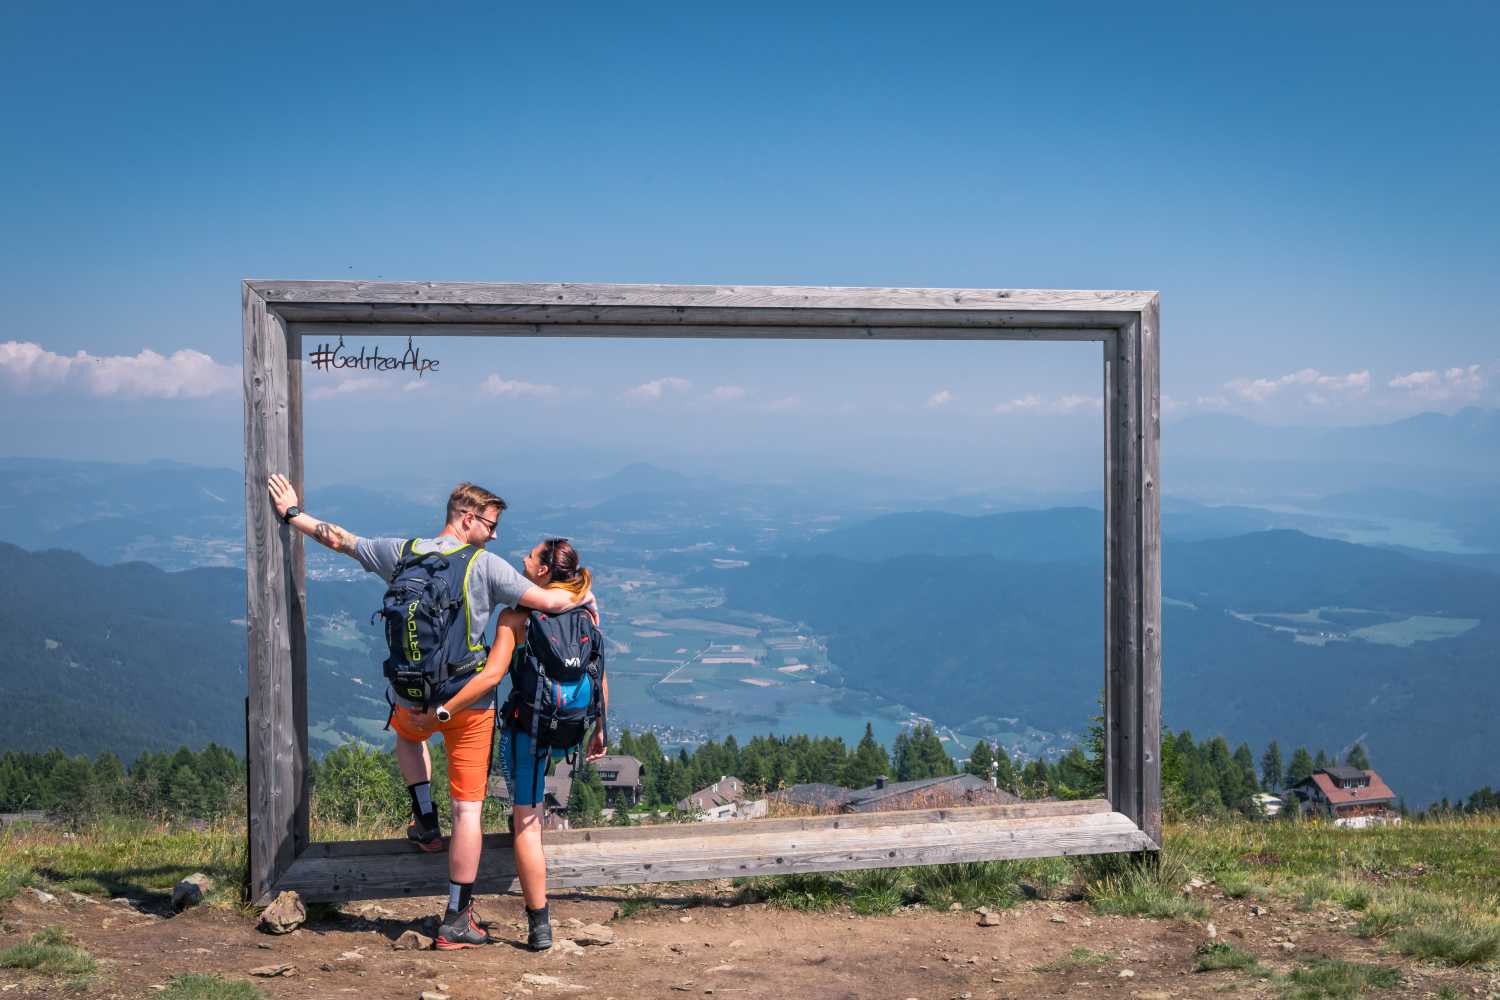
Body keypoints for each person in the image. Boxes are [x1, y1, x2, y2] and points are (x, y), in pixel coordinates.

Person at [265, 475, 593, 950]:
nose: (496, 534)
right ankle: (457, 917)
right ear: (467, 517)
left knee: (407, 735)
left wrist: (294, 514)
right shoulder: (486, 566)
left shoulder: (403, 551)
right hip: (467, 704)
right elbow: (550, 600)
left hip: (411, 698)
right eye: (491, 523)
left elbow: (340, 540)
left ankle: (423, 817)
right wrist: (586, 592)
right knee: (469, 810)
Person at [485, 537, 608, 951]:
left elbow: (491, 676)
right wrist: (601, 728)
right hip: (572, 725)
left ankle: (539, 924)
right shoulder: (586, 611)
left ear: (542, 571)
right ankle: (528, 832)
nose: (523, 557)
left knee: (526, 820)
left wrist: (447, 708)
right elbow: (597, 670)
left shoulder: (518, 618)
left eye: (530, 555)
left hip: (529, 728)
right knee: (530, 813)